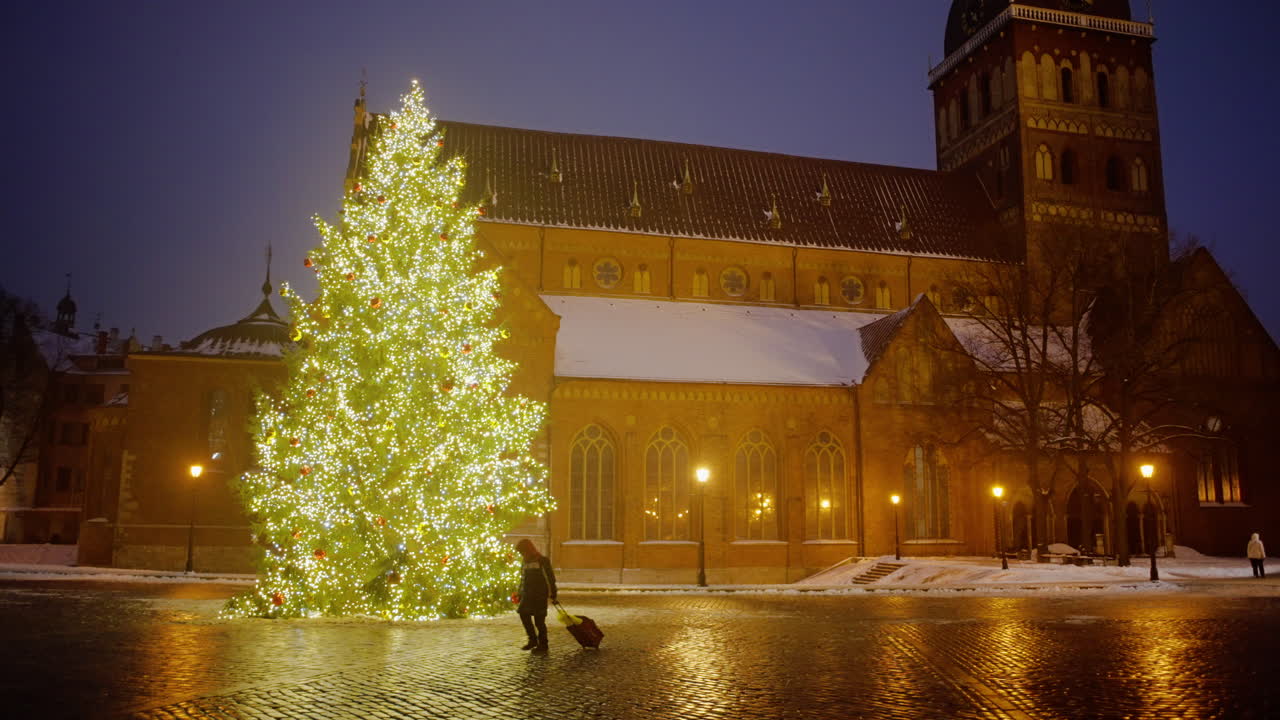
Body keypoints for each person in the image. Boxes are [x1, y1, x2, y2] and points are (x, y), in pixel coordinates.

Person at [515, 538, 557, 654]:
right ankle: (532, 639)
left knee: (539, 621)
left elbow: (550, 579)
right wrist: (520, 593)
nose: (522, 555)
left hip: (539, 595)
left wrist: (553, 593)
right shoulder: (525, 562)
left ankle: (543, 644)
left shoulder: (542, 561)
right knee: (523, 614)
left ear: (528, 550)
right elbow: (523, 579)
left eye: (523, 552)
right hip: (527, 595)